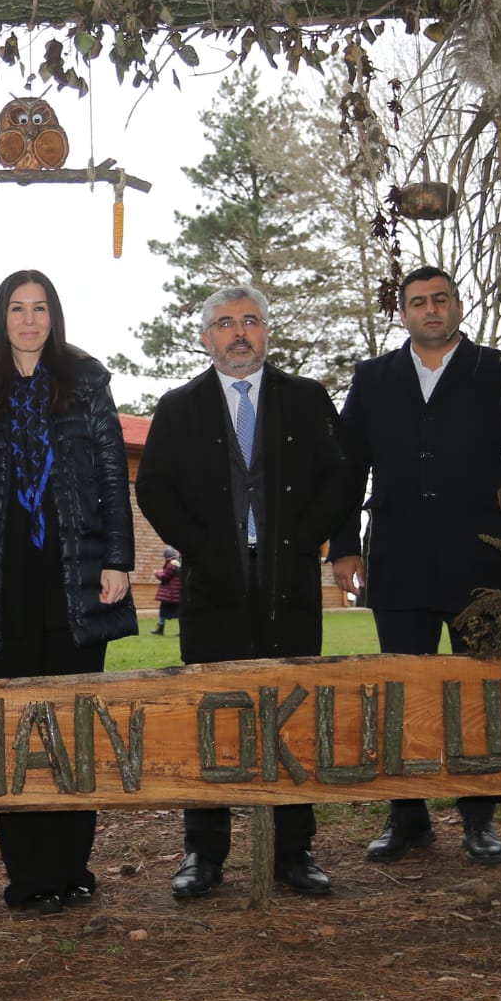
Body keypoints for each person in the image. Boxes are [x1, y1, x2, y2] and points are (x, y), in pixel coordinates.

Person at [135, 284, 358, 899]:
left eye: (250, 321)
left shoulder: (307, 399)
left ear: (266, 332)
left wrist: (303, 541)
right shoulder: (178, 408)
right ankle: (204, 853)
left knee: (294, 714)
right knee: (211, 715)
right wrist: (200, 546)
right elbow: (153, 488)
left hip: (289, 583)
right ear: (206, 337)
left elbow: (342, 478)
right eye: (226, 323)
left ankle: (294, 850)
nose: (239, 333)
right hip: (213, 587)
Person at [0, 269, 137, 914]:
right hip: (8, 581)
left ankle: (72, 866)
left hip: (77, 577)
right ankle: (28, 873)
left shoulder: (86, 383)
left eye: (40, 308)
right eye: (17, 308)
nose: (29, 320)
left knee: (75, 727)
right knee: (16, 729)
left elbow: (112, 474)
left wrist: (118, 559)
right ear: (1, 318)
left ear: (54, 316)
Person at [329, 266, 501, 867]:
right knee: (402, 693)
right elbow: (348, 468)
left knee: (481, 694)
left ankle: (479, 818)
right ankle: (407, 817)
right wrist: (344, 546)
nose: (431, 310)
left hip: (481, 559)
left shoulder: (499, 371)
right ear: (403, 313)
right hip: (397, 560)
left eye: (440, 299)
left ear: (457, 305)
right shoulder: (373, 378)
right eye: (418, 302)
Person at [153, 548, 181, 635]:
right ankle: (182, 631)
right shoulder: (176, 563)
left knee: (163, 611)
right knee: (178, 613)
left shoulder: (171, 563)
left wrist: (156, 573)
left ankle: (160, 629)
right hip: (174, 594)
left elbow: (165, 576)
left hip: (169, 593)